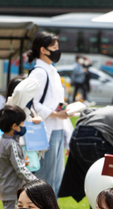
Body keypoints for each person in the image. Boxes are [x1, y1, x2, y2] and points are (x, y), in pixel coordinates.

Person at [26, 32, 71, 195]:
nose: (57, 51)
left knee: (56, 180)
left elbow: (52, 100)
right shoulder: (39, 72)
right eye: (54, 48)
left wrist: (62, 110)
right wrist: (56, 114)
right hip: (45, 131)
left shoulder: (52, 71)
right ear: (43, 50)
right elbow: (33, 103)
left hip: (57, 128)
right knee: (46, 179)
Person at [0, 105, 37, 209]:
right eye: (22, 123)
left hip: (4, 187)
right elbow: (20, 169)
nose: (23, 126)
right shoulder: (11, 144)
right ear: (14, 126)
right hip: (12, 189)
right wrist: (36, 181)